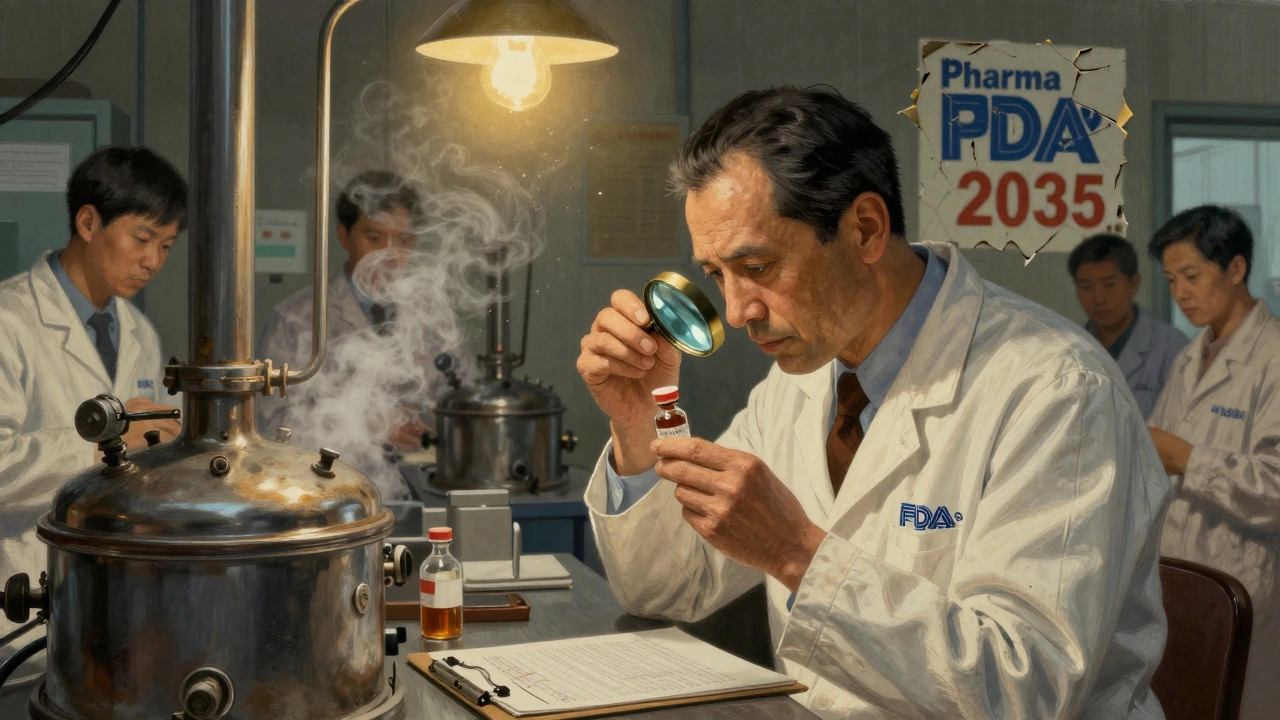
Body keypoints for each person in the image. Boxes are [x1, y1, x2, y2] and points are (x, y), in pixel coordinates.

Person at [576, 86, 1171, 719]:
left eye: (759, 266)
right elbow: (669, 590)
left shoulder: (1056, 391)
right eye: (718, 273)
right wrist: (638, 426)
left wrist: (797, 552)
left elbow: (1024, 690)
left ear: (864, 228)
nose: (738, 311)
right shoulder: (800, 380)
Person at [0, 145, 186, 696]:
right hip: (18, 606)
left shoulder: (138, 333)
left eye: (167, 246)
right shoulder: (10, 322)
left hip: (114, 615)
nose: (153, 261)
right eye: (142, 238)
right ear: (88, 221)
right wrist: (107, 439)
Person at [1146, 205, 1280, 720]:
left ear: (1237, 269)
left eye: (1192, 276)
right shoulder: (1188, 357)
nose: (1180, 293)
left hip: (1251, 591)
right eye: (1171, 279)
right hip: (1182, 587)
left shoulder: (1271, 357)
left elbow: (1274, 487)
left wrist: (1188, 458)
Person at [257, 170, 429, 496]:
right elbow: (271, 431)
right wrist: (366, 425)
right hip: (330, 497)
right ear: (344, 236)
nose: (388, 257)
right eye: (374, 239)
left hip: (417, 492)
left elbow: (453, 401)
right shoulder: (295, 319)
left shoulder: (428, 317)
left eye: (404, 241)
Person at [1069, 233, 1188, 417]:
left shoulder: (1172, 347)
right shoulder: (1068, 345)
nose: (1098, 298)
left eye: (1109, 285)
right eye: (1086, 287)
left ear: (1134, 283)